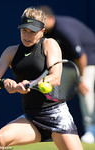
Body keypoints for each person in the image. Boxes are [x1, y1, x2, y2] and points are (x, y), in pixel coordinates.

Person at [0, 7, 83, 150]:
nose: (27, 35)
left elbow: (55, 78)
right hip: (32, 118)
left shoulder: (49, 44)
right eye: (24, 30)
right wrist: (4, 82)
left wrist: (30, 84)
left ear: (42, 31)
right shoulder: (10, 52)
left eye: (32, 32)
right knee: (0, 138)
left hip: (57, 115)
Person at [38, 5, 95, 144]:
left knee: (85, 90)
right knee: (56, 92)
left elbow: (81, 56)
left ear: (50, 18)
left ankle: (91, 129)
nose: (39, 25)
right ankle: (52, 128)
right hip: (68, 63)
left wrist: (80, 79)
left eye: (42, 21)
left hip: (88, 60)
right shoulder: (45, 32)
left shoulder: (64, 29)